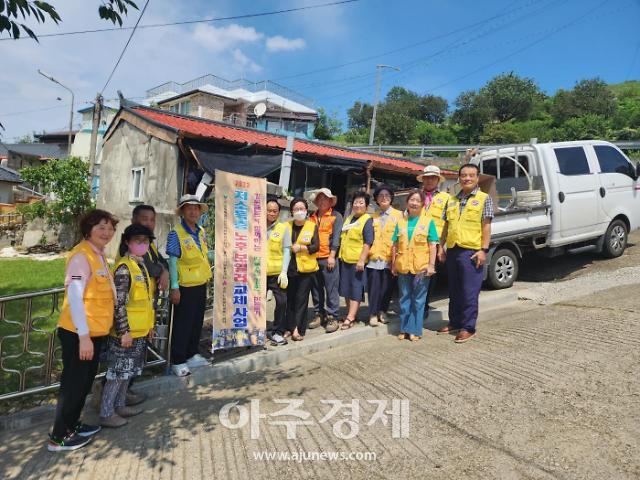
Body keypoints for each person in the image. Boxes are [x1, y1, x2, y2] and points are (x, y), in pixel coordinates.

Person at [48, 209, 118, 452]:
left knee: (84, 383)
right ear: (88, 228)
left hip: (94, 333)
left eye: (110, 228)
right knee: (73, 384)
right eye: (101, 227)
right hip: (79, 333)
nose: (106, 232)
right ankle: (58, 437)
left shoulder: (98, 255)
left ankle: (72, 425)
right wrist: (84, 336)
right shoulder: (81, 256)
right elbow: (76, 298)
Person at [100, 224, 156, 428]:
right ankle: (106, 413)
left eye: (146, 241)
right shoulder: (124, 268)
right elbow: (119, 302)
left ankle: (120, 405)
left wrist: (149, 326)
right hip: (126, 333)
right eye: (138, 241)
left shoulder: (139, 265)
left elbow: (146, 300)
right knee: (117, 374)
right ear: (127, 242)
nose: (142, 245)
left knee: (128, 373)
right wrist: (124, 331)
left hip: (139, 331)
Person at [437, 163, 493, 343]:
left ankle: (468, 327)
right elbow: (446, 227)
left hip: (472, 252)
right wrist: (441, 247)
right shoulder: (451, 200)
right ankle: (454, 321)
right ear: (459, 178)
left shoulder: (484, 198)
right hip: (453, 250)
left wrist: (483, 250)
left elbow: (486, 227)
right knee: (454, 290)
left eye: (471, 175)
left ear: (477, 178)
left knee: (469, 291)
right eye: (464, 175)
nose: (467, 178)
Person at [166, 194, 213, 376]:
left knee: (196, 322)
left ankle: (191, 354)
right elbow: (172, 261)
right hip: (184, 287)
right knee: (182, 324)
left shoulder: (200, 231)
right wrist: (174, 286)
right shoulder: (175, 233)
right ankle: (178, 360)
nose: (193, 211)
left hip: (200, 283)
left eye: (196, 208)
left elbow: (203, 255)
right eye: (189, 208)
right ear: (183, 211)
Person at [391, 190, 438, 342]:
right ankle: (404, 329)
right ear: (407, 202)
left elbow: (432, 245)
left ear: (423, 204)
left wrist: (431, 265)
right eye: (412, 200)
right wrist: (393, 264)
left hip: (421, 268)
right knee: (404, 299)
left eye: (418, 200)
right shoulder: (400, 222)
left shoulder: (428, 222)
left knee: (418, 300)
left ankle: (415, 330)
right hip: (403, 266)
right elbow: (395, 245)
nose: (414, 203)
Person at [417, 165, 451, 318]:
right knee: (415, 272)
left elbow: (449, 223)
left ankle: (424, 306)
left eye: (433, 177)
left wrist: (442, 247)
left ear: (438, 180)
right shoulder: (416, 196)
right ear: (423, 179)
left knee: (430, 275)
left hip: (436, 243)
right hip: (416, 242)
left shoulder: (446, 198)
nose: (429, 180)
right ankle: (416, 304)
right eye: (427, 177)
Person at [366, 185, 402, 327]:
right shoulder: (372, 217)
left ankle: (383, 311)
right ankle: (373, 313)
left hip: (390, 258)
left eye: (387, 195)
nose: (384, 198)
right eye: (381, 196)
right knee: (374, 288)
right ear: (376, 199)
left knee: (387, 287)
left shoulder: (399, 215)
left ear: (391, 198)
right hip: (374, 257)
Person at [338, 191, 374, 330]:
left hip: (356, 262)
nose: (358, 205)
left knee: (356, 289)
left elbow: (368, 242)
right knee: (346, 289)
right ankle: (350, 314)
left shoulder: (367, 220)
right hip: (345, 259)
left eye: (361, 203)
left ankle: (351, 317)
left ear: (366, 206)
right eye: (356, 202)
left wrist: (362, 260)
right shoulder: (350, 218)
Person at [309, 188, 343, 334]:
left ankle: (333, 316)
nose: (322, 201)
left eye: (325, 199)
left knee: (331, 288)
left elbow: (336, 238)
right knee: (316, 289)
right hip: (313, 259)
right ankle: (319, 314)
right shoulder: (311, 216)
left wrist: (332, 256)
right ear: (316, 202)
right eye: (320, 199)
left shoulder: (336, 216)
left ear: (331, 201)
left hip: (328, 258)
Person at [286, 197, 319, 341]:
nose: (299, 211)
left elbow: (316, 247)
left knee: (301, 300)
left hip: (306, 270)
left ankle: (298, 329)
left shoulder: (312, 226)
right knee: (289, 300)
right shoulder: (285, 225)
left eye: (302, 209)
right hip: (289, 269)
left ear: (306, 211)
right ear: (292, 211)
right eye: (296, 209)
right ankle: (289, 327)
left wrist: (302, 247)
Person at [265, 196, 291, 346]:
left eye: (275, 211)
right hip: (258, 273)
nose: (272, 213)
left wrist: (284, 271)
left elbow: (287, 251)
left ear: (279, 213)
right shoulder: (256, 227)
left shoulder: (283, 228)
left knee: (282, 302)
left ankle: (277, 332)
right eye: (269, 210)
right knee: (256, 304)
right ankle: (255, 332)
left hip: (277, 273)